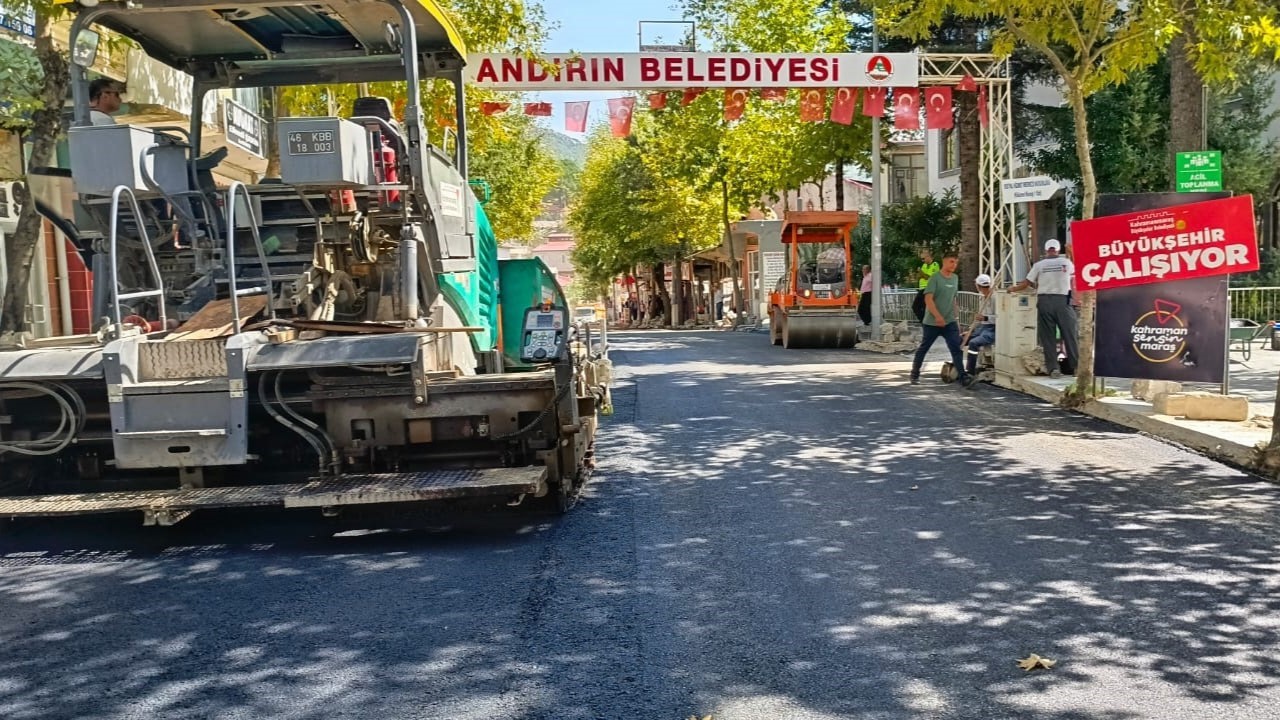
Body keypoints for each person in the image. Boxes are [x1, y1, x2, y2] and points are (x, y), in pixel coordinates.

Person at [1010, 238, 1078, 378]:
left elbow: (1027, 283)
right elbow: (1079, 269)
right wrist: (1071, 252)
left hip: (1044, 301)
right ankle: (1076, 367)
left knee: (1048, 337)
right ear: (1058, 250)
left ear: (1046, 250)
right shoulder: (1066, 262)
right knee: (1070, 335)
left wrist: (1013, 289)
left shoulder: (1039, 265)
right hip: (1063, 301)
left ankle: (1053, 369)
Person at [910, 251, 972, 388]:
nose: (954, 265)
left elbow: (953, 300)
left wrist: (957, 319)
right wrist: (937, 317)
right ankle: (915, 373)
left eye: (956, 262)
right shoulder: (935, 278)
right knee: (924, 348)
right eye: (951, 261)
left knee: (956, 348)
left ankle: (963, 376)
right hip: (932, 322)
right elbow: (928, 299)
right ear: (944, 262)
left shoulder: (955, 278)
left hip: (949, 322)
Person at [963, 273, 997, 377]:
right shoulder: (982, 298)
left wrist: (986, 318)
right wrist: (970, 330)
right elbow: (979, 320)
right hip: (982, 328)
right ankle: (958, 367)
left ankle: (970, 371)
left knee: (973, 343)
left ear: (979, 286)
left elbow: (1000, 318)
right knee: (960, 338)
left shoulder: (995, 298)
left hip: (992, 329)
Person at [912, 248, 939, 323]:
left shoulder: (935, 265)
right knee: (922, 307)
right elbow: (919, 277)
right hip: (922, 288)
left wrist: (921, 273)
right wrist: (922, 274)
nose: (922, 261)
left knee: (916, 306)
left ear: (928, 257)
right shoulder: (924, 266)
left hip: (928, 289)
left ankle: (925, 321)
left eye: (923, 259)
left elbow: (929, 277)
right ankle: (925, 322)